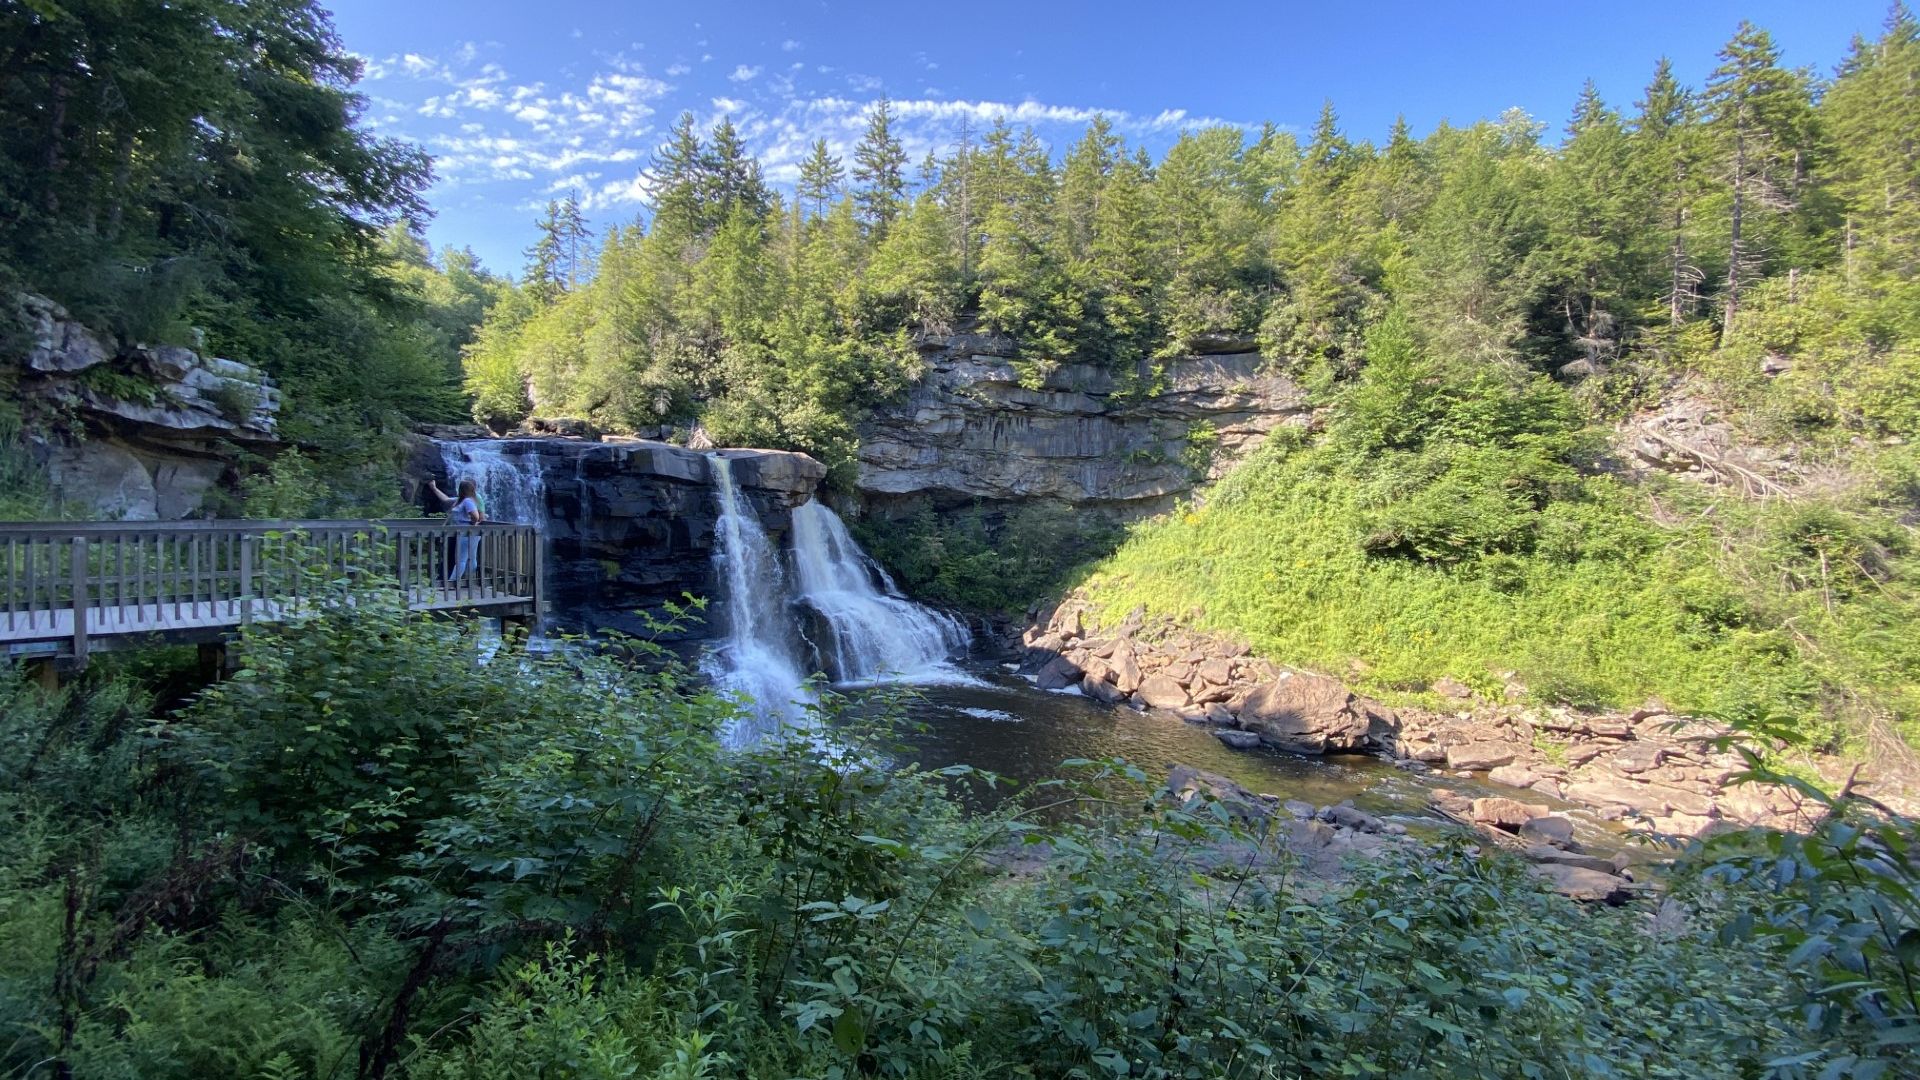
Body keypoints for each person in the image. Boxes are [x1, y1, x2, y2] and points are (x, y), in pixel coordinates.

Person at [426, 477, 486, 583]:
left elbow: (476, 516)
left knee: (462, 559)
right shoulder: (461, 500)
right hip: (463, 533)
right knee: (469, 558)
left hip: (467, 532)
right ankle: (468, 581)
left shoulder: (468, 501)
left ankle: (452, 582)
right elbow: (445, 499)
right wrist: (434, 488)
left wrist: (472, 524)